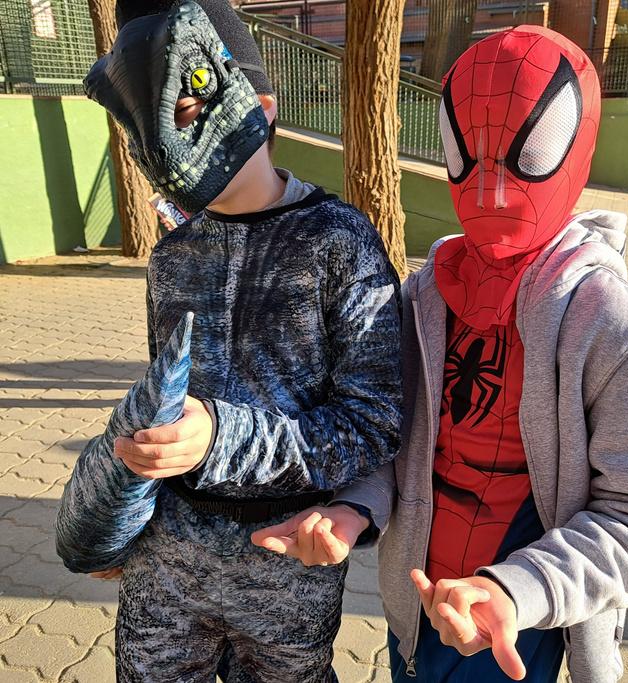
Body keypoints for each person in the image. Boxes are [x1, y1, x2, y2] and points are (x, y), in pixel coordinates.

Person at [253, 25, 628, 683]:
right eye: (470, 154)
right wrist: (353, 509)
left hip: (523, 628)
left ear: (573, 145)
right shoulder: (423, 299)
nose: (490, 189)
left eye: (526, 153)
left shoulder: (624, 333)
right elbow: (392, 439)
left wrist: (517, 590)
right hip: (415, 610)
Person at [58, 1, 402, 681]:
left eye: (185, 111)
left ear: (262, 109)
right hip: (165, 572)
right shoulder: (172, 257)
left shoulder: (340, 242)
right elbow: (167, 399)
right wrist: (120, 510)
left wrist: (222, 437)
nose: (163, 145)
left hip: (286, 572)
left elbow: (373, 424)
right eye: (142, 125)